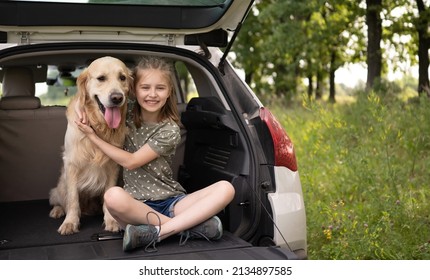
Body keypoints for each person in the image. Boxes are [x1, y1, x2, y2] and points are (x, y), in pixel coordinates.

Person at [75, 56, 235, 252]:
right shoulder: (124, 112)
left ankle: (157, 232)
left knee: (226, 188)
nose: (152, 94)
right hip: (134, 206)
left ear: (169, 92)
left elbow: (132, 162)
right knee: (112, 196)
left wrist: (94, 137)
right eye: (145, 88)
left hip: (171, 202)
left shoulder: (170, 130)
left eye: (160, 88)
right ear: (133, 89)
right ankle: (186, 228)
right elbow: (88, 100)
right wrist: (78, 109)